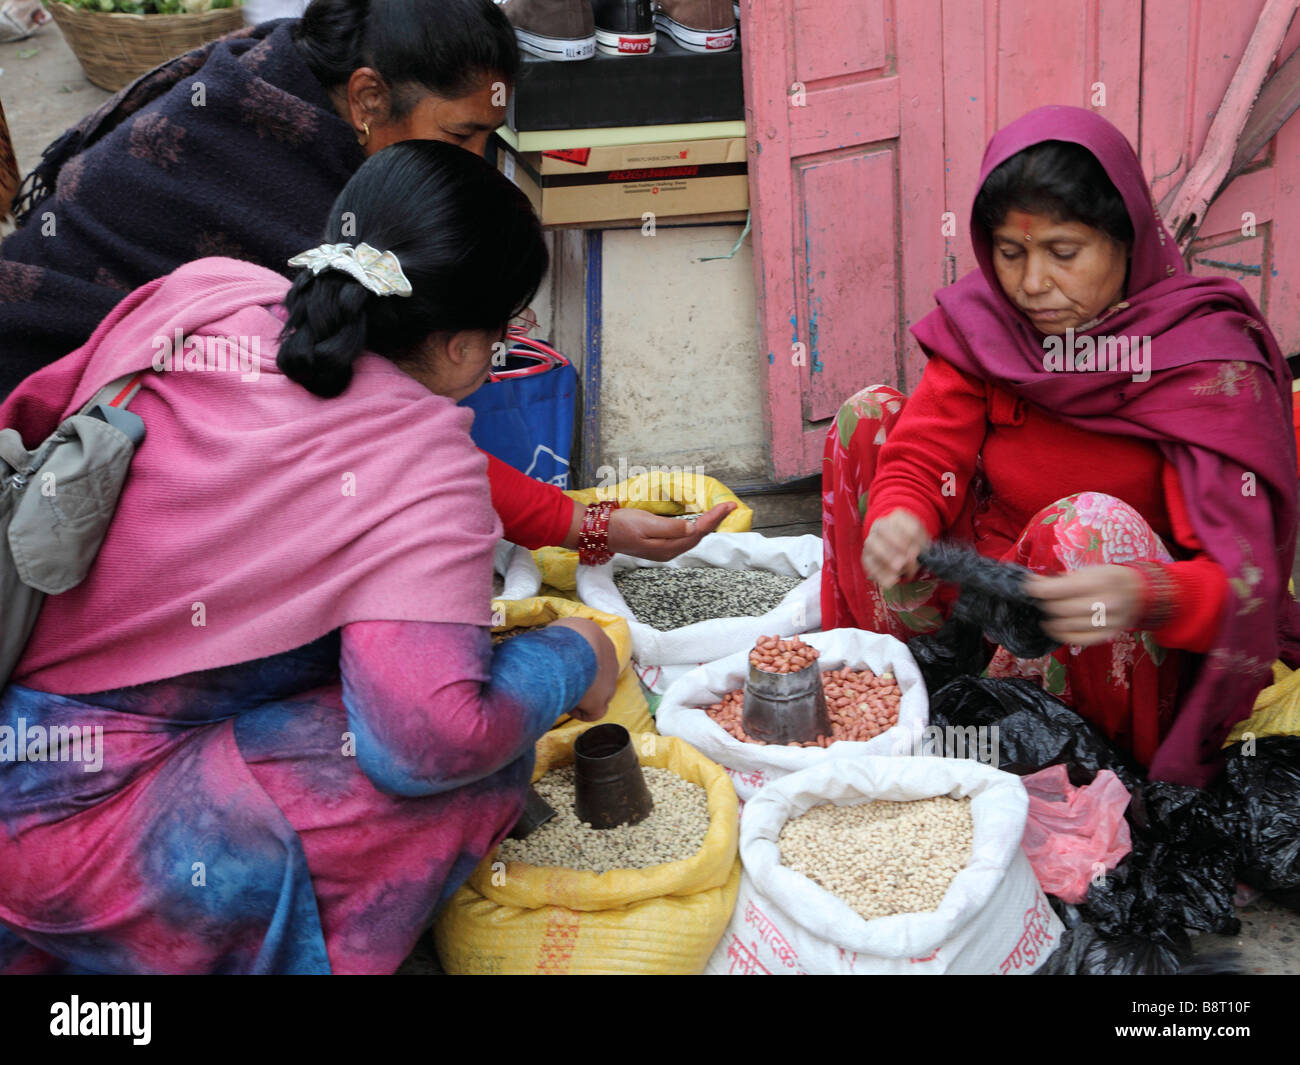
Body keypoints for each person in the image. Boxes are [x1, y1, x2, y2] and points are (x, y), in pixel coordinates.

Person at [0, 139, 622, 974]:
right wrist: (571, 656)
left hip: (21, 750)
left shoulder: (212, 294)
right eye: (509, 328)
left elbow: (36, 413)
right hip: (86, 847)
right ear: (460, 344)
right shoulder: (420, 459)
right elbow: (426, 740)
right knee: (473, 768)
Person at [0, 0, 733, 563]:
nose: (476, 166)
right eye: (459, 138)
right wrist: (583, 523)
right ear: (366, 99)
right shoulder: (278, 197)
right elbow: (385, 423)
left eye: (490, 138)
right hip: (47, 456)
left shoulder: (287, 87)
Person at [822, 105, 1300, 787]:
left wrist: (1145, 593)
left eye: (1063, 253)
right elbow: (925, 450)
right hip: (990, 605)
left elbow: (1244, 587)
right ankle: (870, 701)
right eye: (1010, 254)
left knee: (1086, 527)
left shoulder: (1204, 365)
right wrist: (901, 512)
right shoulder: (993, 326)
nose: (1032, 285)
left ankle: (1081, 777)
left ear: (1126, 240)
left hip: (1122, 647)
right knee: (866, 417)